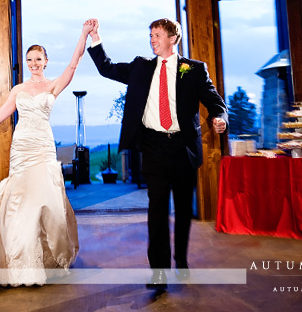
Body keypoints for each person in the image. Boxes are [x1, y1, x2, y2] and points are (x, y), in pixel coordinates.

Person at [86, 18, 228, 291]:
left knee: (185, 209)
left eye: (158, 34)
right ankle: (159, 271)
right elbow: (107, 68)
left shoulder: (194, 70)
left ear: (174, 38)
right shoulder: (141, 67)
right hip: (153, 146)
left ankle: (182, 261)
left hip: (184, 148)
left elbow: (215, 103)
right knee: (158, 208)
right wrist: (96, 37)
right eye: (150, 35)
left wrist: (219, 118)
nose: (152, 39)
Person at [0, 20, 95, 286]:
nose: (33, 63)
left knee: (44, 201)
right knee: (20, 203)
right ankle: (18, 262)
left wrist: (83, 34)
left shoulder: (54, 85)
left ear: (45, 61)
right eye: (29, 59)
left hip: (42, 145)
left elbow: (74, 64)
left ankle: (46, 257)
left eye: (38, 59)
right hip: (21, 148)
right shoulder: (19, 89)